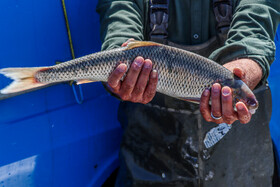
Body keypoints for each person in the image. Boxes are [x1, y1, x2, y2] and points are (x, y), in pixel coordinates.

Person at [97, 0, 280, 186]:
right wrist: (119, 67)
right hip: (151, 164)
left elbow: (257, 16)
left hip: (242, 169)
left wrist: (246, 64)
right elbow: (120, 17)